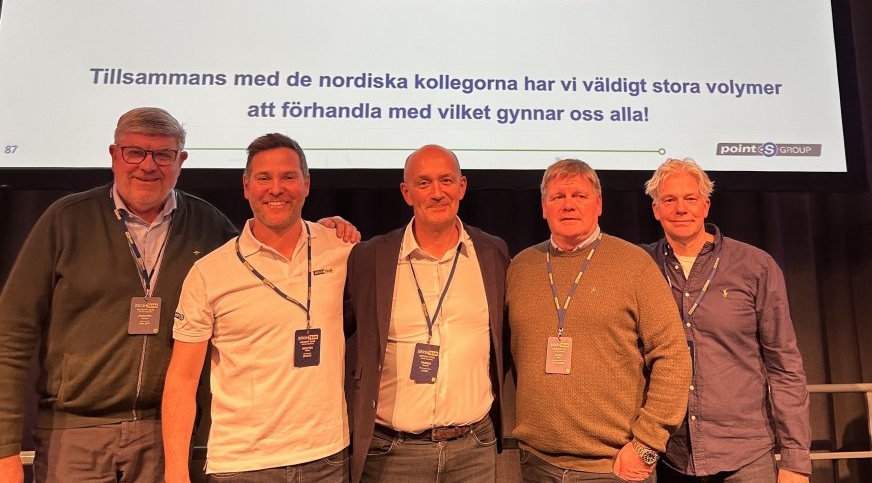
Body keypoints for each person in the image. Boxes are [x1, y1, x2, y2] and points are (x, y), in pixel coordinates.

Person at [0, 107, 236, 483]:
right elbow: (10, 336)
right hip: (74, 435)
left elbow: (261, 275)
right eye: (135, 152)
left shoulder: (209, 226)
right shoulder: (66, 219)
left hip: (166, 436)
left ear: (181, 161)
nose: (148, 165)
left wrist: (319, 233)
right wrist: (4, 451)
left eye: (163, 154)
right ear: (114, 155)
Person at [162, 133, 356, 482]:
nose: (276, 189)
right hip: (243, 464)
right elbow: (183, 378)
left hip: (328, 458)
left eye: (288, 177)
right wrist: (176, 471)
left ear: (306, 184)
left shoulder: (342, 250)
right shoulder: (209, 272)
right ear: (246, 186)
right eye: (264, 178)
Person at [506, 158, 692, 482]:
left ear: (599, 204)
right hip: (536, 464)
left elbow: (673, 357)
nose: (568, 205)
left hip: (614, 468)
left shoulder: (635, 265)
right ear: (544, 207)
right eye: (558, 197)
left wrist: (647, 445)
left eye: (579, 196)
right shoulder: (520, 268)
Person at [343, 144, 510, 483]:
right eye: (423, 183)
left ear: (461, 186)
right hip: (392, 454)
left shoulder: (493, 252)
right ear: (407, 193)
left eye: (446, 181)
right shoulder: (369, 257)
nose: (437, 193)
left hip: (474, 451)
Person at [643, 158, 811, 483]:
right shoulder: (640, 266)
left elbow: (785, 366)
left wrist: (795, 460)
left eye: (690, 198)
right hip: (666, 456)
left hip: (745, 456)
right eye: (670, 200)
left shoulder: (755, 266)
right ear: (656, 210)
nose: (681, 208)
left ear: (705, 206)